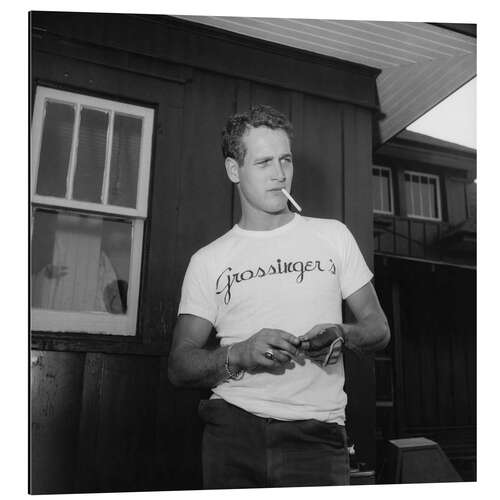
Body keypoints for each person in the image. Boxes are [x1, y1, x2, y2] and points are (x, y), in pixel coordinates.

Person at [168, 104, 390, 489]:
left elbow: (379, 328)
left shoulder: (332, 236)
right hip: (232, 431)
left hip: (317, 435)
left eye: (285, 160)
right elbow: (179, 365)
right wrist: (239, 353)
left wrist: (342, 333)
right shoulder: (208, 260)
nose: (279, 173)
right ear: (233, 170)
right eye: (263, 162)